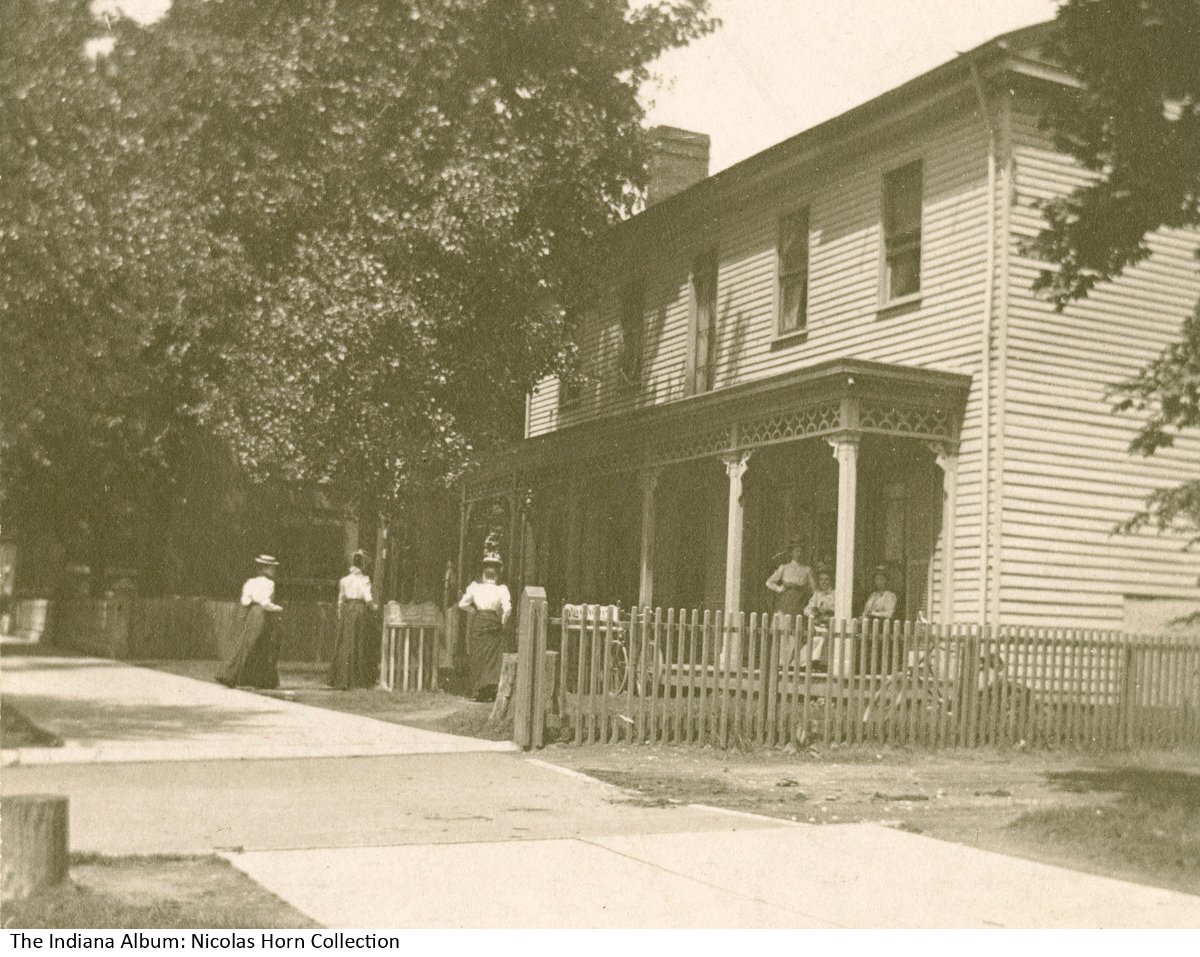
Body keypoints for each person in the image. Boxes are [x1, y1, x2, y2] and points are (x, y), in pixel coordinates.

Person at [217, 554, 283, 689]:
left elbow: (245, 600)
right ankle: (257, 679)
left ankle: (237, 676)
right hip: (262, 614)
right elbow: (265, 602)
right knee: (262, 644)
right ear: (266, 569)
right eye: (272, 568)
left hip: (250, 613)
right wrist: (277, 608)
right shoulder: (269, 584)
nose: (274, 571)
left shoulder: (250, 582)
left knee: (247, 643)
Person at [457, 550, 512, 701]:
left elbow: (462, 604)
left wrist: (473, 611)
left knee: (479, 655)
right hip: (494, 622)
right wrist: (502, 621)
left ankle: (479, 691)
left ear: (483, 573)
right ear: (497, 574)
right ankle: (491, 691)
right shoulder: (501, 590)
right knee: (493, 657)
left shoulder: (476, 588)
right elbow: (508, 609)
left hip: (480, 621)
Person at [329, 550, 378, 690]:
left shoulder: (345, 580)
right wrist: (374, 607)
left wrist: (340, 613)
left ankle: (341, 679)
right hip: (359, 610)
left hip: (347, 611)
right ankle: (357, 679)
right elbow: (368, 599)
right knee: (358, 641)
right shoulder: (364, 580)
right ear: (362, 564)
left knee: (345, 642)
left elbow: (341, 599)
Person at [766, 537, 815, 665]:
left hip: (799, 601)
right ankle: (780, 662)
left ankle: (791, 661)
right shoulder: (784, 567)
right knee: (783, 630)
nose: (798, 554)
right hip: (785, 601)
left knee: (795, 631)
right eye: (796, 551)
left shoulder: (806, 570)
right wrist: (779, 589)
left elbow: (814, 589)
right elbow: (769, 582)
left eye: (800, 551)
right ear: (791, 553)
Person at [799, 566, 836, 670]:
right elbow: (807, 609)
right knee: (815, 638)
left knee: (821, 637)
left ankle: (818, 661)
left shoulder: (835, 594)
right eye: (821, 580)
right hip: (818, 623)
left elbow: (839, 610)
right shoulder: (817, 594)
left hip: (831, 624)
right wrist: (814, 613)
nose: (824, 582)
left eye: (826, 579)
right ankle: (806, 663)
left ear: (831, 580)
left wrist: (828, 611)